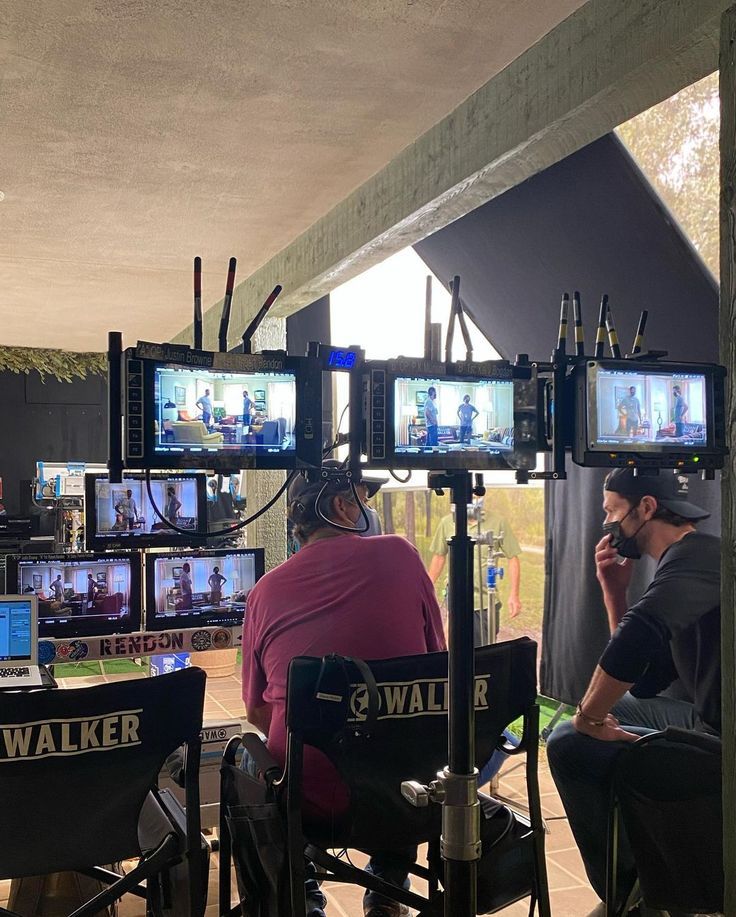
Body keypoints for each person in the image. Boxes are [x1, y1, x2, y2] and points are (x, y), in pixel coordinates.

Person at [242, 467, 445, 917]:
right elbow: (436, 668)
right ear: (340, 507)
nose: (367, 510)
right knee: (405, 734)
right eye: (363, 500)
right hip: (407, 798)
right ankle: (388, 890)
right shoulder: (401, 555)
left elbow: (258, 712)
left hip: (308, 803)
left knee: (248, 755)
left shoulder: (263, 592)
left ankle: (302, 895)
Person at [546, 468, 720, 908]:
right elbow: (644, 682)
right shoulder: (689, 563)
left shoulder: (696, 556)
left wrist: (588, 719)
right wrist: (614, 595)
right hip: (707, 719)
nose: (607, 524)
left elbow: (639, 635)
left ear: (645, 508)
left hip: (721, 742)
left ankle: (633, 893)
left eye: (611, 511)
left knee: (569, 741)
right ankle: (643, 876)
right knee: (618, 706)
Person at [427, 498, 523, 645]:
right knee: (452, 646)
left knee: (483, 651)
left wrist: (514, 595)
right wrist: (426, 588)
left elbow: (513, 558)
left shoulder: (498, 522)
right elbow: (439, 557)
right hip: (456, 598)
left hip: (485, 603)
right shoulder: (447, 522)